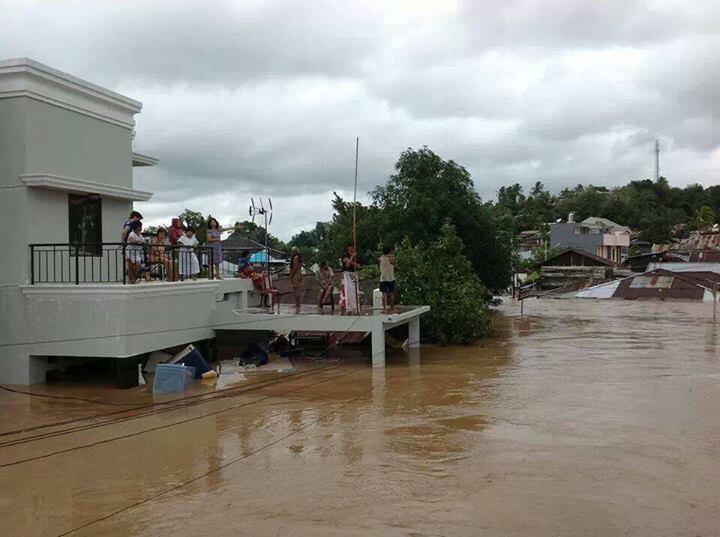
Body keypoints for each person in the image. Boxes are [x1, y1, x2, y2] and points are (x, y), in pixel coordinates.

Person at [340, 245, 361, 314]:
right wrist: (351, 258)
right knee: (347, 291)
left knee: (355, 291)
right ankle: (347, 309)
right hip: (346, 275)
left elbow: (358, 266)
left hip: (353, 275)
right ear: (349, 248)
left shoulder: (356, 256)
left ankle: (355, 308)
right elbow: (347, 265)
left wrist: (351, 261)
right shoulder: (345, 256)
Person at [378, 246, 396, 313]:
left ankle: (385, 308)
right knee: (392, 293)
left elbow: (379, 262)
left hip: (383, 278)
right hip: (391, 278)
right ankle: (392, 308)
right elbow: (394, 263)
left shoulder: (381, 258)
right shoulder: (391, 258)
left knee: (384, 294)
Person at [289, 247, 303, 314]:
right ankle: (297, 305)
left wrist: (291, 275)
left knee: (296, 290)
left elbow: (295, 267)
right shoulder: (298, 257)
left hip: (296, 275)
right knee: (296, 290)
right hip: (298, 274)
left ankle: (298, 305)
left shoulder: (295, 257)